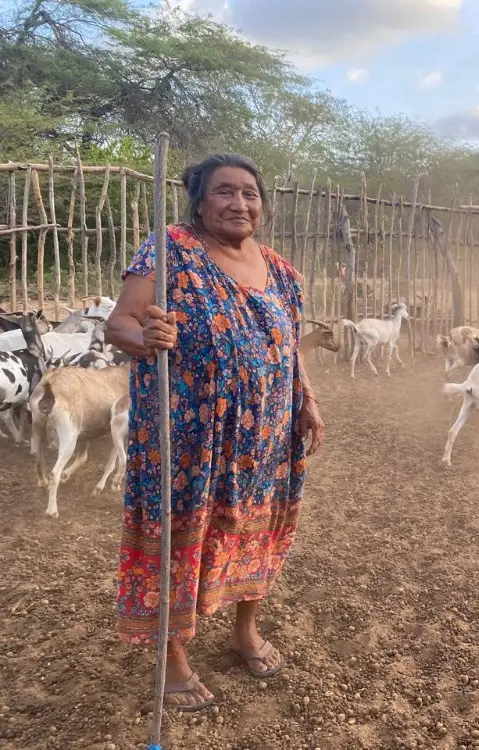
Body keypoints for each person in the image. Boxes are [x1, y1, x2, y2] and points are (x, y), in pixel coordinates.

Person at [107, 153, 325, 712]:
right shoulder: (170, 249)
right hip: (189, 438)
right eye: (224, 191)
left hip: (266, 437)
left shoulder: (281, 271)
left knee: (259, 532)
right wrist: (145, 337)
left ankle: (245, 630)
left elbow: (287, 345)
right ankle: (173, 658)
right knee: (177, 540)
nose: (239, 203)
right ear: (199, 202)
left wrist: (306, 398)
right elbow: (119, 324)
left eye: (250, 193)